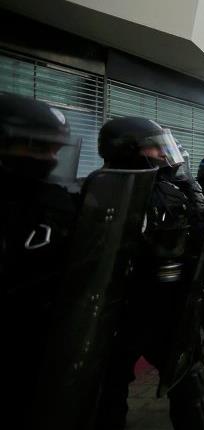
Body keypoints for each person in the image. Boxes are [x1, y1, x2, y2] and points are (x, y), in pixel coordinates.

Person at [95, 117, 204, 430]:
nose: (164, 154)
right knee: (107, 385)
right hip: (122, 306)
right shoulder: (102, 190)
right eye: (155, 147)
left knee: (187, 377)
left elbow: (195, 236)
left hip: (167, 302)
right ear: (130, 150)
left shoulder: (170, 189)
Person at [0, 94, 80, 428]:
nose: (49, 159)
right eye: (38, 147)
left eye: (55, 151)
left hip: (45, 345)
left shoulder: (61, 202)